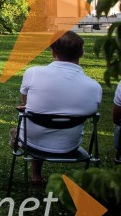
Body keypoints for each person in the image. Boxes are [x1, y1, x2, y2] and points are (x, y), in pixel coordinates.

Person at [18, 31, 102, 185]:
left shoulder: (33, 73)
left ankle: (35, 175)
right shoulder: (94, 87)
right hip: (69, 145)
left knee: (23, 129)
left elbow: (26, 101)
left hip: (32, 142)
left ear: (53, 52)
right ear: (82, 53)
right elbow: (91, 110)